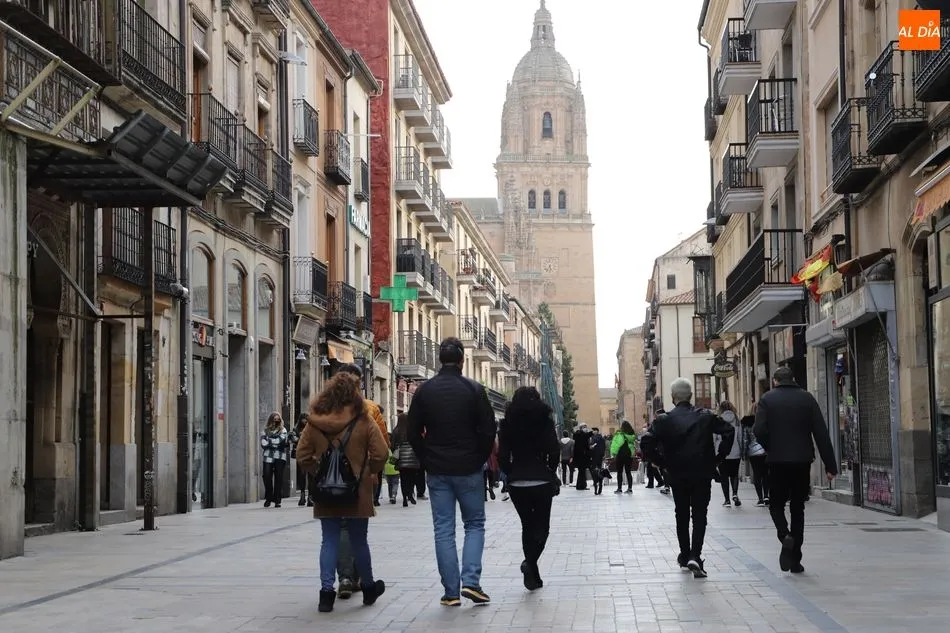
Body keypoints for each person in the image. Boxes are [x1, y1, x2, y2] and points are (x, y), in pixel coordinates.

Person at [408, 337, 496, 606]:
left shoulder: (425, 391)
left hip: (438, 470)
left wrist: (427, 458)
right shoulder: (474, 389)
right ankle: (471, 582)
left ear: (439, 360)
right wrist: (479, 457)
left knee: (443, 529)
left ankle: (450, 592)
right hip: (468, 468)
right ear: (461, 360)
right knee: (474, 524)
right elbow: (489, 429)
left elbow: (412, 432)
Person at [295, 373, 389, 613]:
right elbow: (381, 453)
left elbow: (302, 454)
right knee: (359, 540)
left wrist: (318, 474)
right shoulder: (364, 420)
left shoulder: (315, 421)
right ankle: (368, 588)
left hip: (326, 492)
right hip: (356, 491)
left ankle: (326, 594)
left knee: (329, 540)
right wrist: (367, 472)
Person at [754, 366, 837, 574]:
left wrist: (770, 446)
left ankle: (785, 535)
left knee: (776, 504)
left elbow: (758, 430)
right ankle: (795, 560)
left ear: (775, 381)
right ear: (794, 379)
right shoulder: (807, 399)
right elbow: (821, 433)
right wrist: (830, 465)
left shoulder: (767, 399)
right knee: (798, 508)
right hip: (802, 460)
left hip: (777, 461)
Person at [651, 378, 735, 579]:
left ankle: (685, 554)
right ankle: (695, 556)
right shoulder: (705, 416)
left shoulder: (664, 420)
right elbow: (729, 431)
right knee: (699, 514)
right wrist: (718, 458)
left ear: (673, 397)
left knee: (681, 514)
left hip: (677, 474)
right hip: (702, 473)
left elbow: (646, 441)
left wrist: (661, 462)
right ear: (691, 396)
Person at [497, 387, 560, 591]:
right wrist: (549, 469)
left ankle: (534, 574)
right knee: (543, 527)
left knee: (527, 526)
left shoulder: (507, 424)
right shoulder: (545, 422)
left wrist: (511, 472)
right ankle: (530, 563)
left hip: (517, 482)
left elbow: (502, 456)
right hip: (541, 481)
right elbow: (554, 450)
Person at [336, 364, 389, 507]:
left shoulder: (322, 408)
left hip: (330, 480)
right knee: (357, 523)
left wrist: (319, 472)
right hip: (362, 474)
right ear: (360, 383)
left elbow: (304, 453)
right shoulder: (370, 408)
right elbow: (382, 448)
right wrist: (372, 469)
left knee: (332, 525)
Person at [740, 403, 769, 506]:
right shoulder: (766, 421)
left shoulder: (747, 423)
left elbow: (745, 440)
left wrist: (743, 454)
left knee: (757, 475)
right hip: (765, 451)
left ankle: (760, 499)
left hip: (753, 453)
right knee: (766, 474)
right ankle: (766, 496)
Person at [716, 401, 743, 507]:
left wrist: (714, 452)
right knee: (734, 474)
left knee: (724, 476)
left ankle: (727, 500)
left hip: (722, 452)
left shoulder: (718, 420)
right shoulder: (736, 420)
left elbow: (714, 437)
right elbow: (740, 436)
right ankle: (735, 494)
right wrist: (741, 450)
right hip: (736, 452)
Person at [260, 412, 289, 508]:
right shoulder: (265, 430)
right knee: (266, 476)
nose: (276, 421)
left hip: (280, 457)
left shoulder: (283, 430)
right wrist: (273, 442)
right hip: (268, 456)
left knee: (278, 478)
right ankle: (269, 497)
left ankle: (277, 500)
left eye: (278, 419)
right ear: (270, 420)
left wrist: (269, 441)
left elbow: (280, 441)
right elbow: (263, 443)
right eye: (274, 419)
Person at [391, 414, 421, 507]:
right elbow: (418, 442)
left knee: (403, 479)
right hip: (412, 459)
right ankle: (410, 494)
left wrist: (396, 452)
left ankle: (404, 498)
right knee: (412, 478)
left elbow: (392, 445)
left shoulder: (396, 431)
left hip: (401, 459)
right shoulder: (412, 430)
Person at [290, 413, 313, 507]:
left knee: (311, 476)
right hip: (301, 455)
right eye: (303, 419)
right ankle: (302, 494)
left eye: (306, 419)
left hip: (311, 455)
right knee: (302, 475)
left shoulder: (312, 429)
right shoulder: (295, 429)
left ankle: (310, 497)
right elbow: (292, 438)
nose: (305, 421)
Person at [611, 421, 638, 494]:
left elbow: (615, 443)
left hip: (620, 455)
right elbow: (632, 440)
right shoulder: (630, 433)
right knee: (628, 472)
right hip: (628, 455)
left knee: (619, 472)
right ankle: (630, 488)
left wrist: (613, 453)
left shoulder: (620, 434)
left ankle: (619, 488)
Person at [572, 424, 592, 490]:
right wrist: (591, 433)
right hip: (582, 456)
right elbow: (585, 437)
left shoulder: (579, 435)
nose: (586, 428)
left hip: (580, 456)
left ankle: (581, 485)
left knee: (581, 471)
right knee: (582, 471)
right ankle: (581, 485)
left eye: (586, 427)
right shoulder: (580, 435)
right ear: (581, 428)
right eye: (584, 427)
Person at [589, 427, 607, 495]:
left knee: (594, 470)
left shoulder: (593, 438)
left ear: (597, 431)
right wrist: (602, 454)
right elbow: (604, 447)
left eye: (594, 430)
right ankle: (600, 484)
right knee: (599, 470)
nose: (593, 432)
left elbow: (591, 447)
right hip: (599, 456)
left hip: (594, 456)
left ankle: (595, 482)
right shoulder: (601, 438)